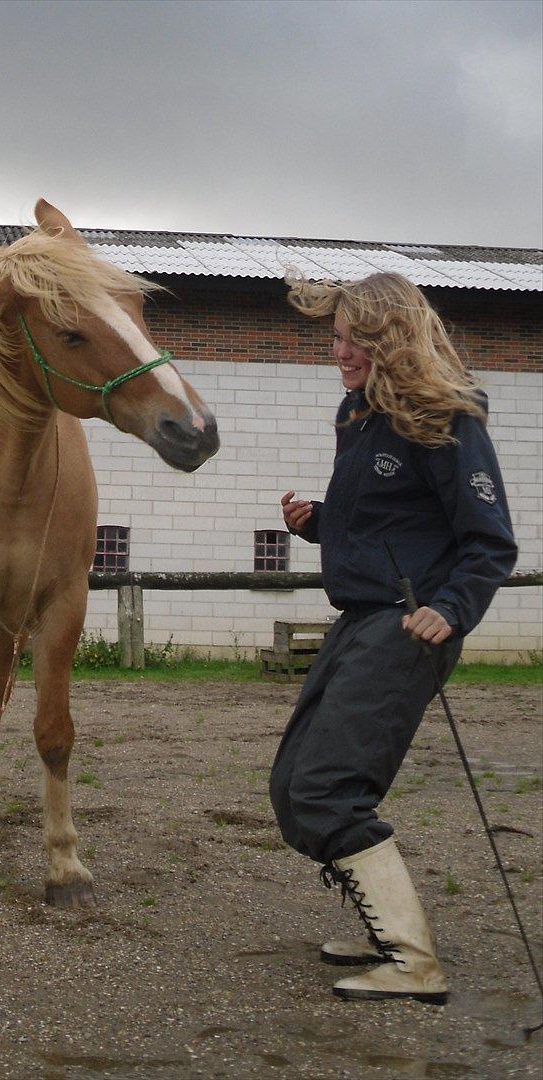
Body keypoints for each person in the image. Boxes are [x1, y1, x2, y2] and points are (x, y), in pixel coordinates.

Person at [269, 272, 517, 1005]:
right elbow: (381, 518)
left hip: (409, 625)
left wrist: (454, 607)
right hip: (362, 616)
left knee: (326, 789)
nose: (340, 353)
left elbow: (489, 542)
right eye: (337, 338)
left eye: (356, 341)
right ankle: (387, 932)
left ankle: (413, 962)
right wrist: (317, 520)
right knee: (291, 790)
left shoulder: (446, 416)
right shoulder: (359, 412)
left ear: (393, 341)